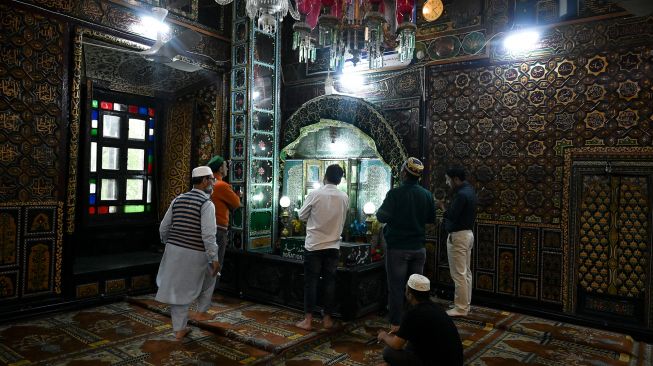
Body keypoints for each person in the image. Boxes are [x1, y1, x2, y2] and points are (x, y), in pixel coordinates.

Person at [155, 166, 221, 340]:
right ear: (205, 181)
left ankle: (180, 329)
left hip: (173, 251)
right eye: (212, 179)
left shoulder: (178, 199)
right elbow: (208, 235)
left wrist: (170, 243)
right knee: (209, 277)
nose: (213, 183)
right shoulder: (206, 204)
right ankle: (201, 312)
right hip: (194, 254)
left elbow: (163, 228)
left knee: (179, 289)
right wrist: (214, 257)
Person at [376, 157, 436, 332]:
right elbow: (430, 220)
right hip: (418, 248)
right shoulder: (427, 195)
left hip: (398, 249)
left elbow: (381, 217)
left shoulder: (395, 194)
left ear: (404, 173)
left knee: (396, 288)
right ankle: (415, 325)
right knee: (417, 290)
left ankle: (396, 325)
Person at [295, 164, 349, 331]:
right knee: (329, 283)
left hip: (314, 246)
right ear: (340, 180)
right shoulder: (344, 197)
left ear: (325, 177)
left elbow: (301, 215)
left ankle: (308, 320)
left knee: (311, 282)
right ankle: (327, 319)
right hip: (333, 246)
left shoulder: (315, 194)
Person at [377, 274, 463, 366]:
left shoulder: (413, 313)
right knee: (412, 341)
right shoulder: (436, 307)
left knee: (388, 352)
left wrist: (384, 335)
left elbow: (396, 345)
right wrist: (403, 329)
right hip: (456, 361)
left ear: (409, 295)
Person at [438, 166, 477, 317]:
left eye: (448, 180)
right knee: (466, 272)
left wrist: (442, 206)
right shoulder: (470, 191)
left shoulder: (461, 195)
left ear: (455, 179)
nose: (447, 183)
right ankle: (464, 304)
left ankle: (460, 308)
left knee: (459, 274)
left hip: (459, 236)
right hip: (467, 234)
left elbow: (452, 215)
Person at [207, 155, 241, 288]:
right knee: (216, 263)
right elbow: (236, 203)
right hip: (219, 230)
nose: (227, 168)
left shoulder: (208, 183)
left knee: (207, 262)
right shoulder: (221, 185)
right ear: (220, 168)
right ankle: (209, 295)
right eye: (225, 166)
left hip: (207, 228)